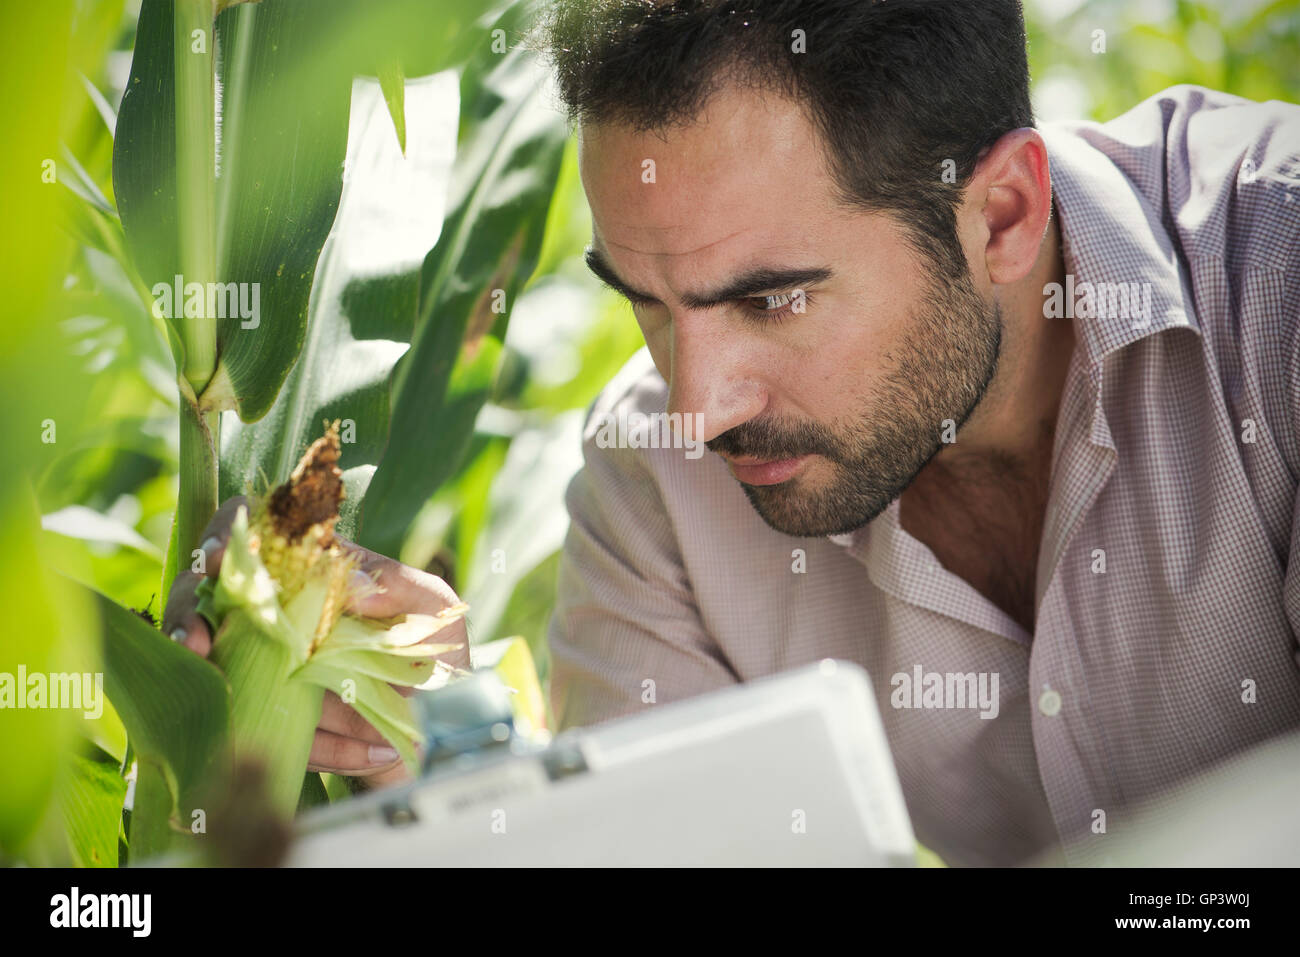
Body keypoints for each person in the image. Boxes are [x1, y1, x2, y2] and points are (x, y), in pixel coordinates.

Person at [166, 0, 1300, 865]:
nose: (697, 406)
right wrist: (455, 757)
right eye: (647, 303)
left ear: (1001, 213)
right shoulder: (654, 487)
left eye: (770, 300)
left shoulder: (1276, 291)